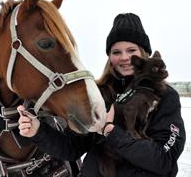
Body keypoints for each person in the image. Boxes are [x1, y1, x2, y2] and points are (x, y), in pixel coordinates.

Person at [18, 13, 186, 177]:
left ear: (143, 53)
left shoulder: (164, 96)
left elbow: (164, 160)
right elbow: (72, 147)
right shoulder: (100, 94)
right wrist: (38, 131)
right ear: (109, 57)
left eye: (131, 50)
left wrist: (111, 132)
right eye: (116, 52)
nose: (124, 58)